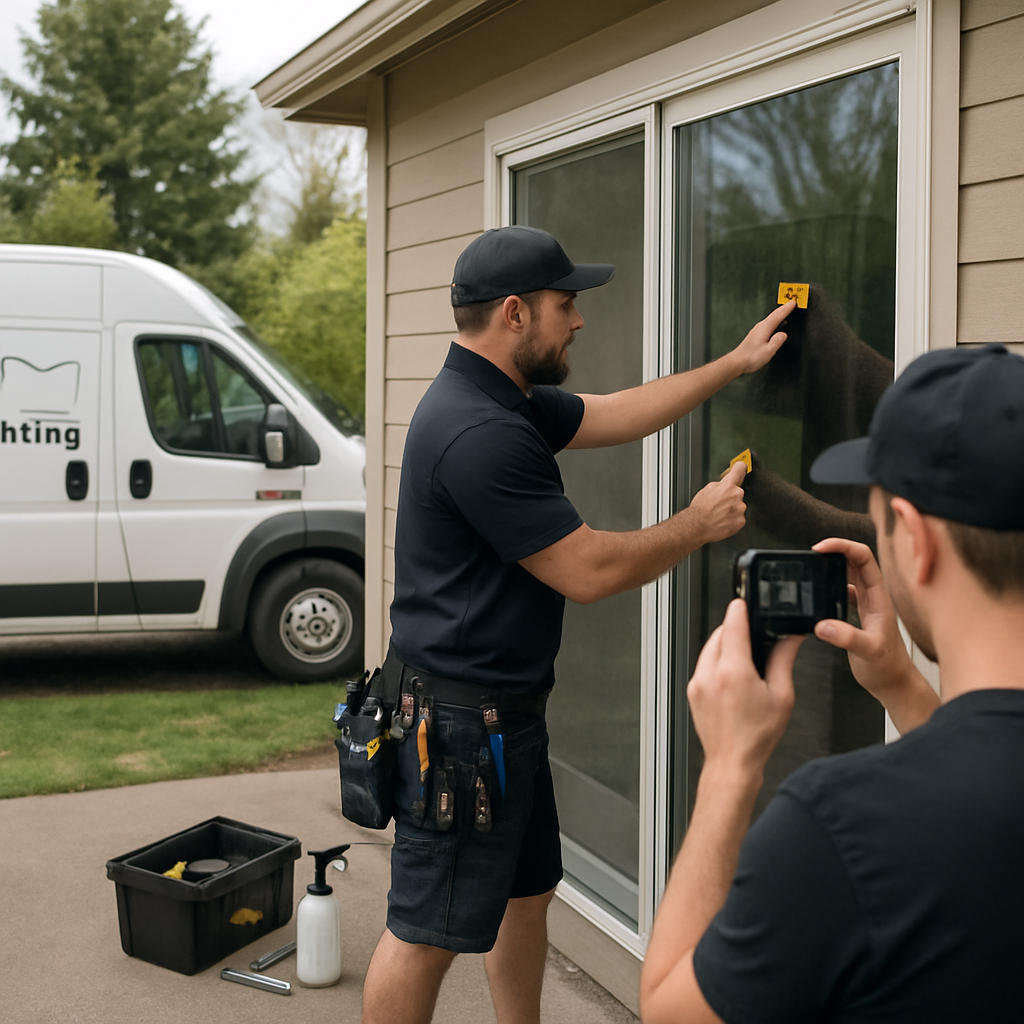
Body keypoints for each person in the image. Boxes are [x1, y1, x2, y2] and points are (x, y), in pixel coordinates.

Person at [361, 225, 794, 1024]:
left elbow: (618, 411)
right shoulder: (479, 431)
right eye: (567, 304)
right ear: (517, 314)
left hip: (498, 717)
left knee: (527, 897)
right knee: (426, 933)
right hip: (458, 731)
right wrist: (695, 525)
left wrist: (734, 363)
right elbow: (586, 569)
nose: (580, 319)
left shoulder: (503, 398)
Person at [640, 343, 1024, 1023]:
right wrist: (903, 687)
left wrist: (729, 769)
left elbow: (671, 1011)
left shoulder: (843, 828)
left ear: (913, 537)